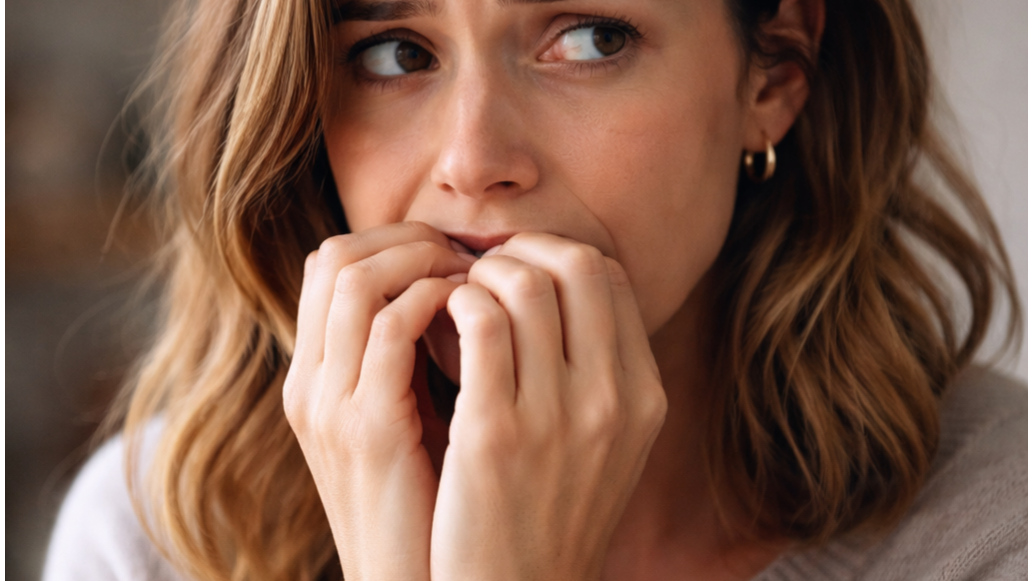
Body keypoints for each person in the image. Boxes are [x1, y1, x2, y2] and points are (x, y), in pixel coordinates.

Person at [44, 0, 1027, 580]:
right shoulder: (151, 535)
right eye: (394, 50)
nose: (473, 163)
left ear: (774, 67)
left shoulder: (990, 524)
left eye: (592, 37)